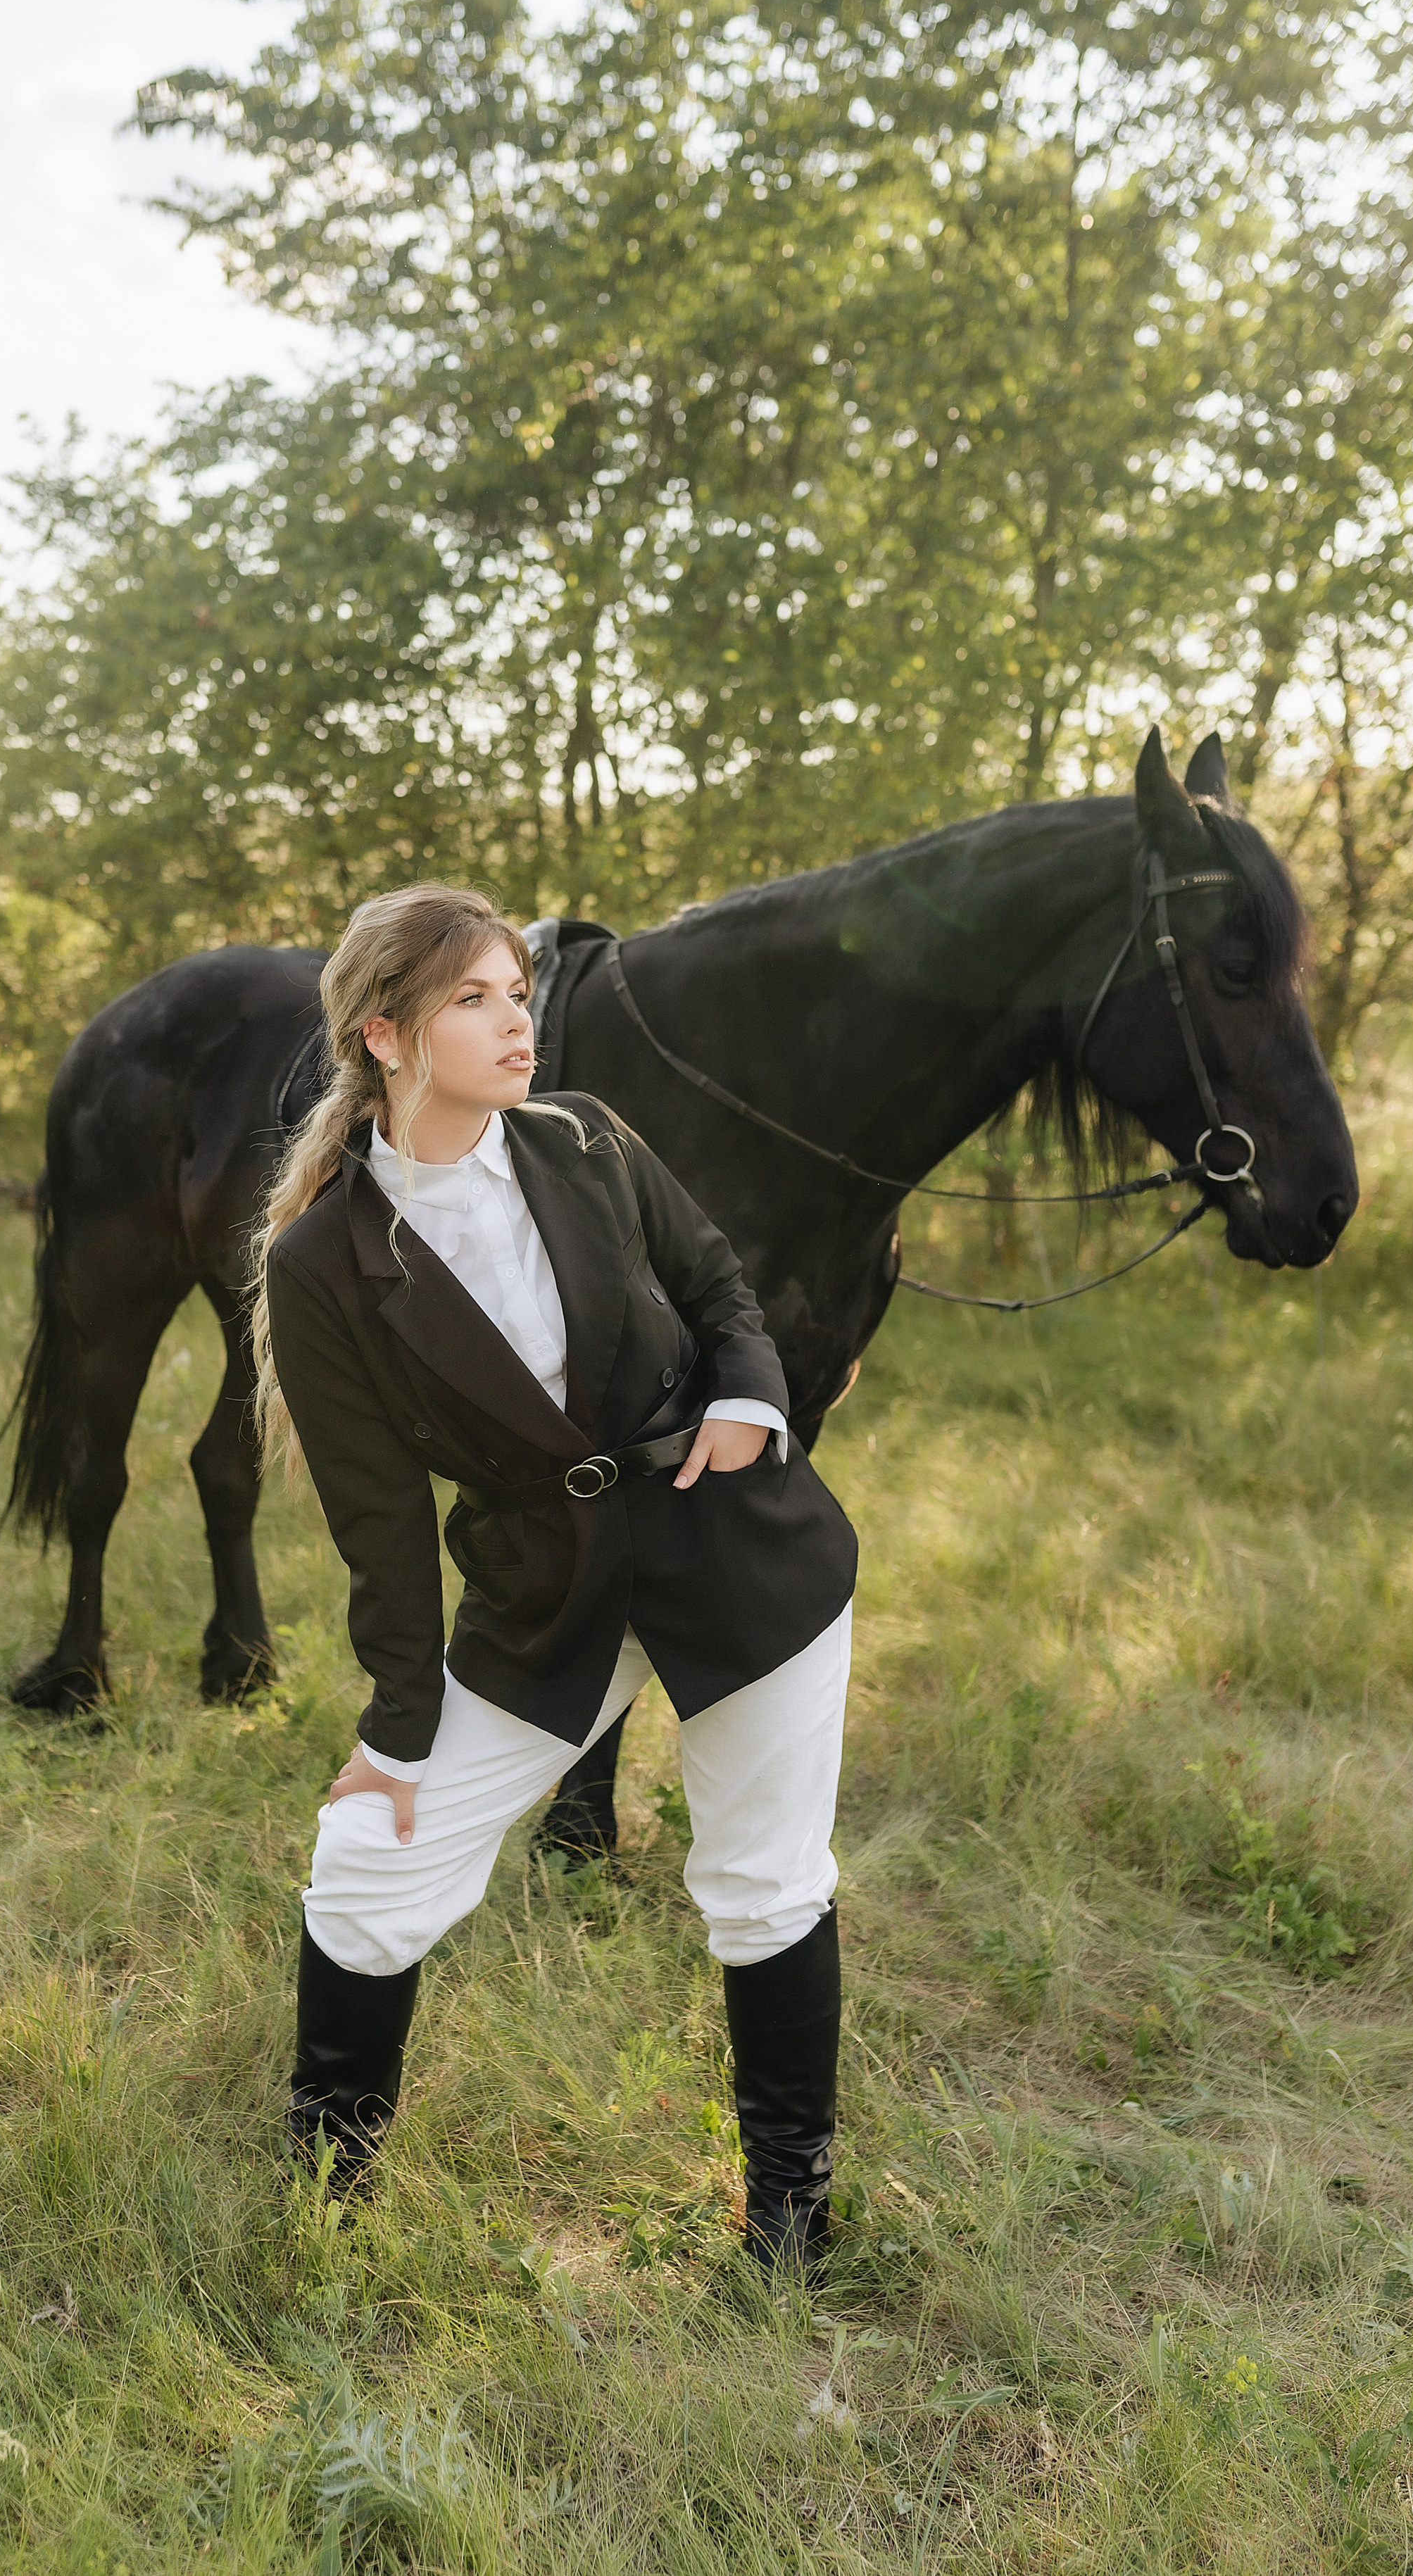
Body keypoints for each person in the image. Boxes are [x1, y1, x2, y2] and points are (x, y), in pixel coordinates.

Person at [251, 885, 858, 2279]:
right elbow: (380, 1519)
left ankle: (788, 2224)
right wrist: (396, 1728)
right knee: (362, 1870)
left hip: (738, 1548)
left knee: (762, 1884)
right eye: (474, 997)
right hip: (548, 1593)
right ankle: (325, 2196)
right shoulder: (323, 1258)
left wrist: (750, 1403)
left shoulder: (585, 1137)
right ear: (384, 1034)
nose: (515, 1017)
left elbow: (721, 1292)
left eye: (518, 990)